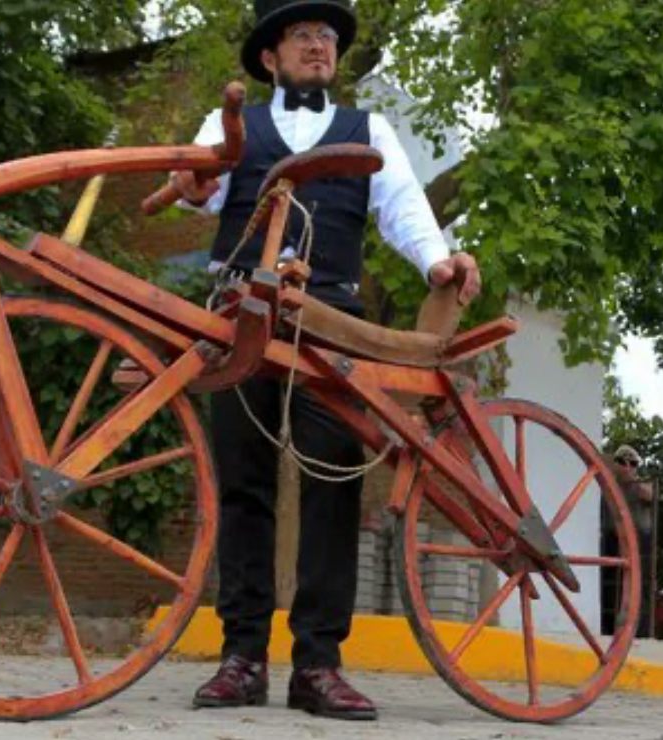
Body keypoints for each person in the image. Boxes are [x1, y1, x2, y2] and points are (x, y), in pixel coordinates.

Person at [169, 0, 481, 721]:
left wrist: (437, 262)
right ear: (270, 57)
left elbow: (404, 208)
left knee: (332, 486)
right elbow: (199, 188)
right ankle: (242, 659)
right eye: (303, 35)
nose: (319, 46)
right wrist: (194, 186)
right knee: (242, 485)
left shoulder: (368, 130)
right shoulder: (231, 122)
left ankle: (317, 665)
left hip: (332, 319)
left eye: (328, 37)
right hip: (241, 314)